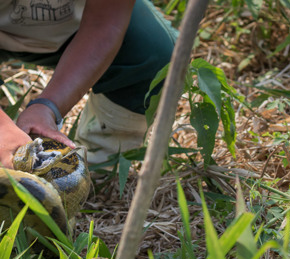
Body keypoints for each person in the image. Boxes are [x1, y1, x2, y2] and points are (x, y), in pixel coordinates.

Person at [0, 0, 177, 169]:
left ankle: (96, 167)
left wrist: (47, 107)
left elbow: (106, 23)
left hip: (80, 26)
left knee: (154, 52)